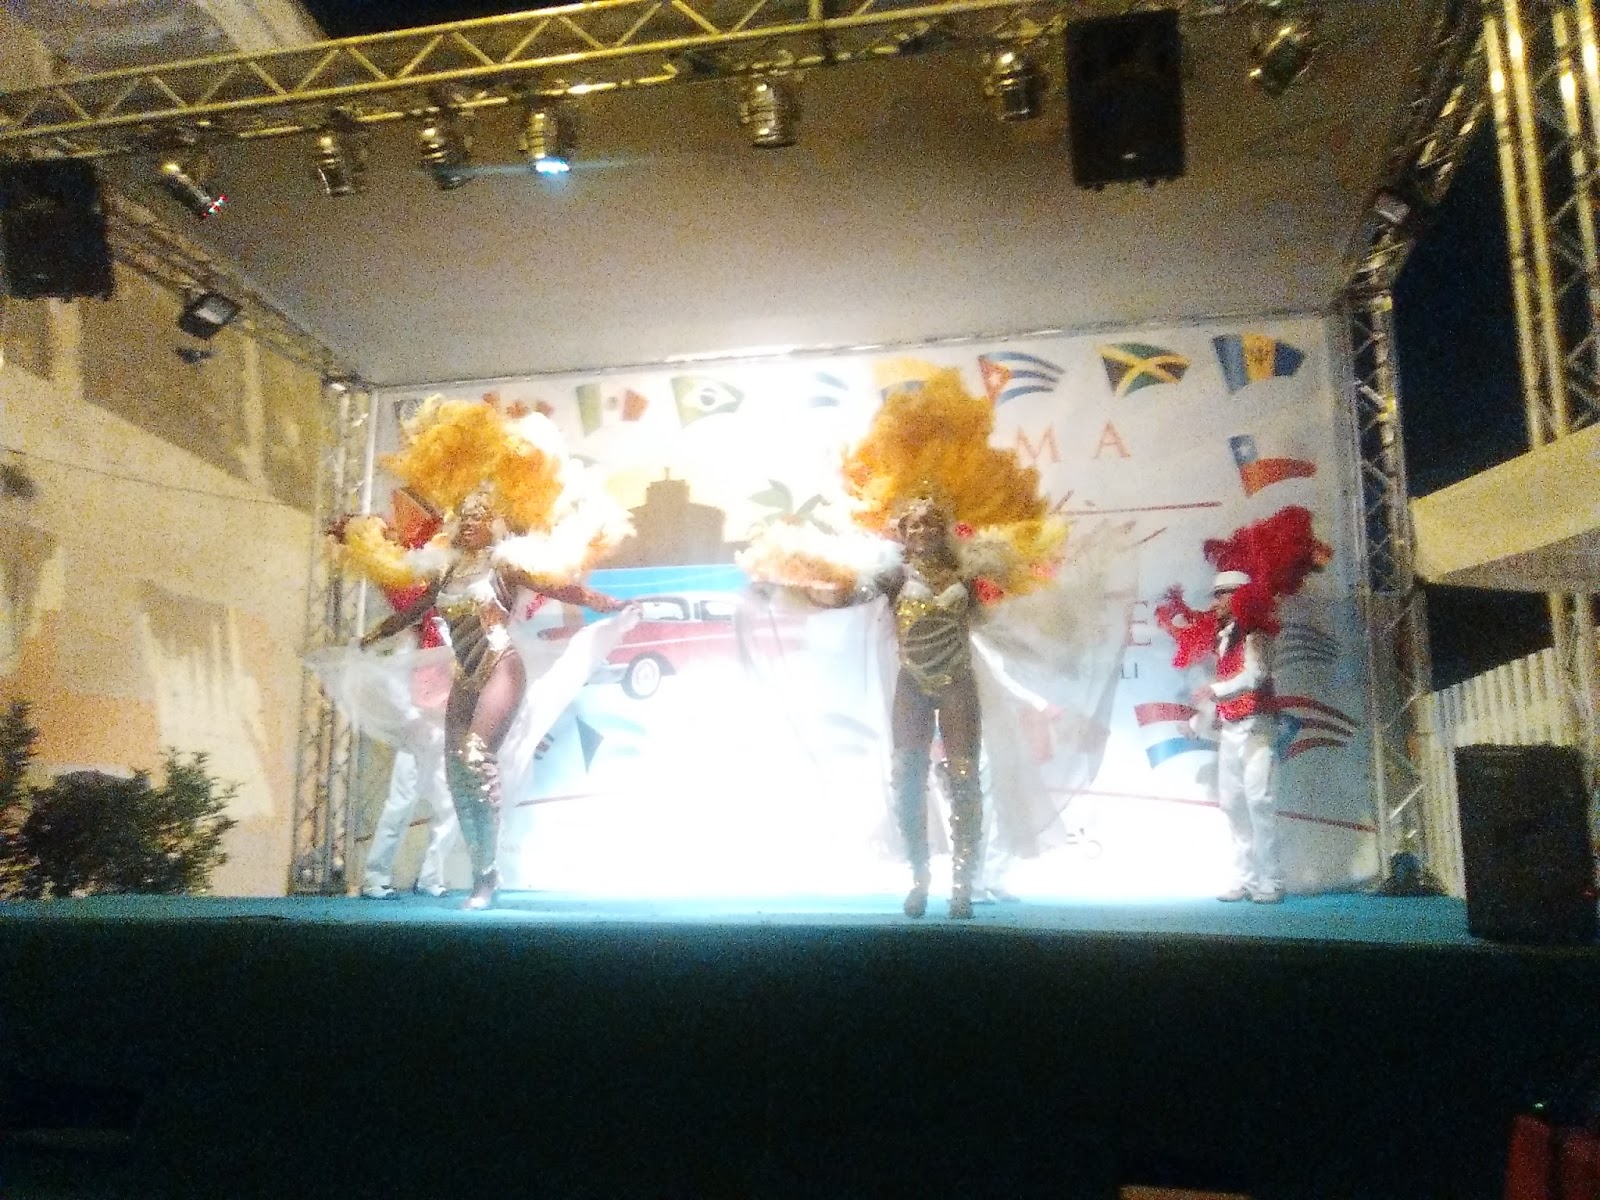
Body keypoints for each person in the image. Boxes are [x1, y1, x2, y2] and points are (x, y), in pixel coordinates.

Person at [739, 369, 1071, 919]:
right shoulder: (893, 575)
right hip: (912, 684)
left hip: (958, 683)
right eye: (911, 526)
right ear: (901, 531)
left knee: (965, 780)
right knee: (908, 778)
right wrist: (804, 583)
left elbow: (1008, 606)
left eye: (928, 524)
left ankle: (962, 886)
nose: (919, 533)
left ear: (943, 527)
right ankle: (919, 880)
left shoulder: (970, 572)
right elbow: (849, 595)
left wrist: (1020, 583)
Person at [333, 398, 636, 910]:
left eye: (480, 516)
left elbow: (562, 589)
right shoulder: (448, 570)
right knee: (457, 775)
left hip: (501, 666)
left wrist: (609, 603)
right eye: (466, 516)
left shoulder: (506, 564)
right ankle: (484, 871)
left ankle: (485, 882)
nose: (471, 522)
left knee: (476, 757)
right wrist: (369, 638)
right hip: (466, 673)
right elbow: (416, 611)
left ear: (494, 523)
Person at [1155, 506, 1330, 905]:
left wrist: (1212, 691)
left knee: (1259, 801)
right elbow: (1222, 691)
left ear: (1239, 597)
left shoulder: (1257, 634)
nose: (1215, 602)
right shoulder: (1224, 639)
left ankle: (1271, 879)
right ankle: (1244, 877)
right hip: (1232, 731)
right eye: (1215, 596)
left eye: (1221, 596)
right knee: (1232, 803)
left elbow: (1254, 678)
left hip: (1258, 730)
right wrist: (1198, 721)